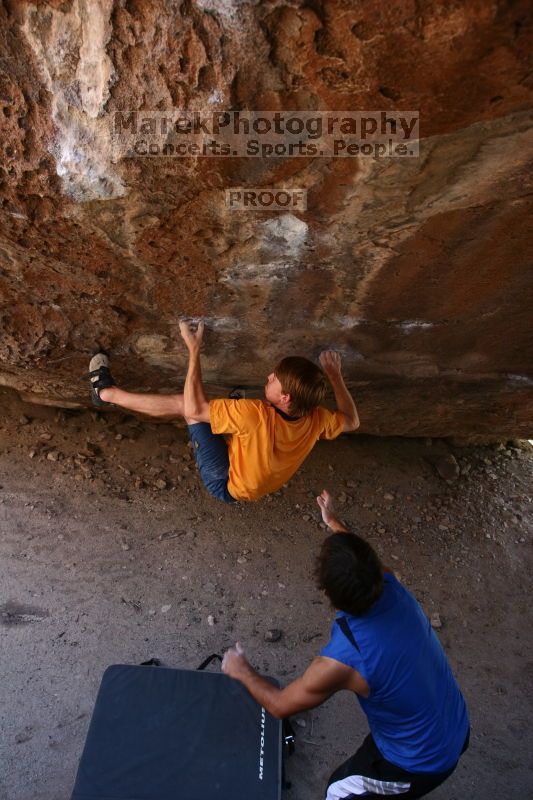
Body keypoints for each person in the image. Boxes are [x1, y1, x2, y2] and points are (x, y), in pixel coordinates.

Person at [222, 490, 470, 799]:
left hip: (419, 761)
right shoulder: (390, 585)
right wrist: (333, 522)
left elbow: (280, 705)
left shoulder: (344, 659)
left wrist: (241, 670)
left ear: (327, 594)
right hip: (454, 722)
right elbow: (364, 559)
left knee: (338, 791)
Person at [88, 321, 359, 503]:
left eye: (274, 379)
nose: (268, 376)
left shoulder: (255, 414)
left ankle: (105, 393)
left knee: (189, 409)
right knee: (232, 415)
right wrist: (334, 376)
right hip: (254, 475)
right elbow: (352, 421)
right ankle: (228, 421)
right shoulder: (316, 417)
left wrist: (194, 351)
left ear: (286, 397)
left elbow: (194, 407)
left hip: (226, 482)